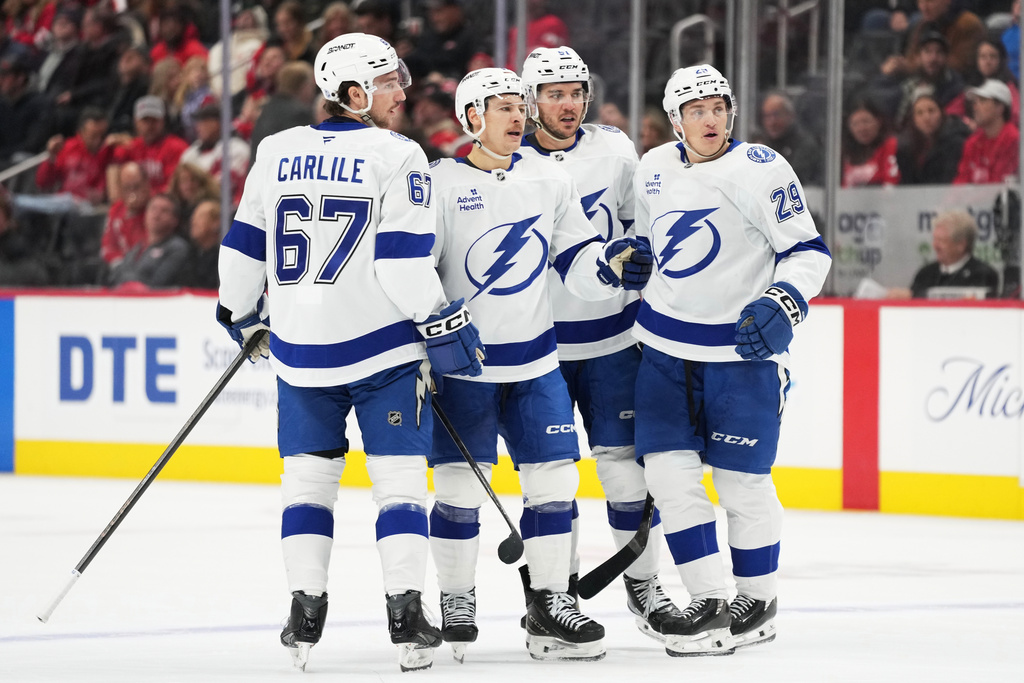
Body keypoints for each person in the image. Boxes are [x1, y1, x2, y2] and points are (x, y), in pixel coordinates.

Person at [217, 32, 484, 673]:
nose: (402, 92)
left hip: (300, 353)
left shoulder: (275, 149)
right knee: (398, 486)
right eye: (388, 82)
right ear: (354, 92)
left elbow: (244, 246)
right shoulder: (399, 154)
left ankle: (304, 612)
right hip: (381, 352)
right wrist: (440, 318)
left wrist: (240, 313)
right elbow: (401, 264)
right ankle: (406, 615)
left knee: (307, 486)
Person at [426, 66, 652, 663]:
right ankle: (456, 597)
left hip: (536, 363)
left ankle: (552, 601)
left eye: (516, 106)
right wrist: (421, 337)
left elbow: (575, 256)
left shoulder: (550, 178)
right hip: (465, 368)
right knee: (457, 488)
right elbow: (414, 269)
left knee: (554, 482)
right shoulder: (439, 182)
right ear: (471, 117)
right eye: (502, 107)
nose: (516, 116)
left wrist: (610, 268)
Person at [632, 64, 831, 656]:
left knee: (742, 484)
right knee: (668, 477)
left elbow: (808, 252)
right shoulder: (653, 168)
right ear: (676, 121)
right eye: (697, 111)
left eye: (718, 107)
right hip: (664, 350)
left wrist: (785, 299)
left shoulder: (762, 169)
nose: (711, 119)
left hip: (740, 354)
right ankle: (709, 601)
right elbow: (646, 246)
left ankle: (758, 598)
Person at [517, 45, 683, 642]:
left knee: (626, 473)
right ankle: (552, 597)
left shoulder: (615, 149)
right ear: (531, 101)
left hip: (611, 339)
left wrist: (642, 272)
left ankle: (645, 585)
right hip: (537, 348)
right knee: (550, 479)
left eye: (576, 92)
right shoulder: (510, 160)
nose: (568, 104)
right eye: (554, 94)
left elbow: (644, 226)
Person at [889, 210, 1000, 298]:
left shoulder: (983, 275)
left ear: (961, 245)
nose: (935, 246)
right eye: (934, 239)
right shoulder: (925, 273)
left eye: (941, 241)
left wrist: (916, 296)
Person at [107, 95, 189, 198]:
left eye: (154, 120)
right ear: (136, 122)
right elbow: (113, 168)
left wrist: (144, 197)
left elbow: (173, 189)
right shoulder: (130, 146)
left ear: (163, 121)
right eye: (145, 120)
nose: (150, 126)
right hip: (133, 202)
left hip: (163, 202)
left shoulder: (177, 147)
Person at [106, 193, 190, 288]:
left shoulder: (177, 248)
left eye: (164, 211)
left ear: (175, 220)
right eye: (153, 209)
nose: (156, 215)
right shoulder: (137, 248)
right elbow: (116, 277)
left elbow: (158, 283)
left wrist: (128, 283)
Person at [953, 79, 1020, 184]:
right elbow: (960, 182)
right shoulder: (972, 143)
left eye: (983, 101)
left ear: (999, 108)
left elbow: (999, 185)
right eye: (975, 102)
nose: (975, 107)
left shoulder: (1014, 140)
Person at [896, 88, 968, 184]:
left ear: (941, 113)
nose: (926, 118)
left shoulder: (956, 143)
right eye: (919, 113)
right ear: (913, 119)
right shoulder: (906, 148)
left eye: (931, 111)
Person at [249, 61, 317, 163]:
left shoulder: (267, 109)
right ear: (304, 86)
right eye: (311, 85)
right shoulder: (299, 114)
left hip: (258, 169)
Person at [752, 91, 822, 186]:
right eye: (767, 116)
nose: (771, 122)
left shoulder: (805, 145)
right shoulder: (760, 142)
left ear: (790, 115)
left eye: (776, 115)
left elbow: (792, 178)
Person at [841, 98, 900, 187]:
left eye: (866, 121)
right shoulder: (845, 153)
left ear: (879, 121)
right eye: (855, 123)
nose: (861, 128)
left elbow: (892, 182)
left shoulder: (890, 145)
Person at [100, 161, 149, 266]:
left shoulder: (155, 207)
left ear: (146, 184)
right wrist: (119, 264)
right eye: (127, 188)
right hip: (121, 266)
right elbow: (107, 246)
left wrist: (134, 214)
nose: (132, 193)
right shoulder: (116, 209)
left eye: (136, 187)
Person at [180, 197, 219, 289]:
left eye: (201, 217)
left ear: (216, 223)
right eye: (194, 217)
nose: (193, 222)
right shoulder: (190, 254)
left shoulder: (221, 257)